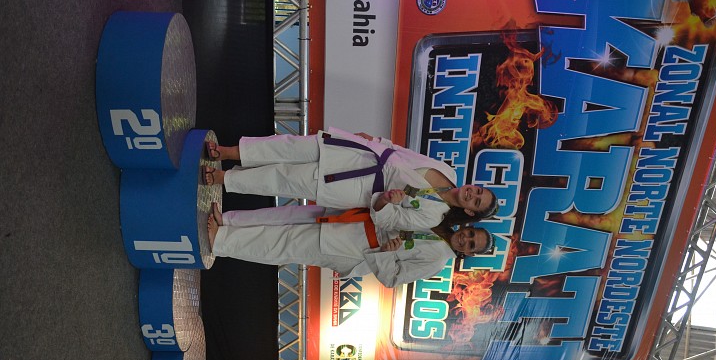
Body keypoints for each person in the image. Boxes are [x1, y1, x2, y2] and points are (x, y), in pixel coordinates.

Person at [202, 128, 499, 232]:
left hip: (358, 187)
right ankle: (228, 151)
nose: (472, 194)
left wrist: (387, 201)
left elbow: (387, 220)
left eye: (476, 201)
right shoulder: (448, 171)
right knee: (290, 146)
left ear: (469, 211)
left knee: (285, 179)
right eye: (478, 190)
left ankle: (223, 178)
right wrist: (378, 140)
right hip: (364, 154)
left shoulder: (433, 216)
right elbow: (406, 153)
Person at [207, 203, 494, 288]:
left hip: (353, 248)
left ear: (467, 253)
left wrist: (388, 253)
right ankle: (229, 220)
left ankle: (221, 242)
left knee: (286, 244)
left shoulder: (436, 261)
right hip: (357, 218)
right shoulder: (441, 218)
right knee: (288, 215)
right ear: (468, 226)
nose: (466, 239)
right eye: (471, 234)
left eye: (470, 245)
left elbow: (392, 279)